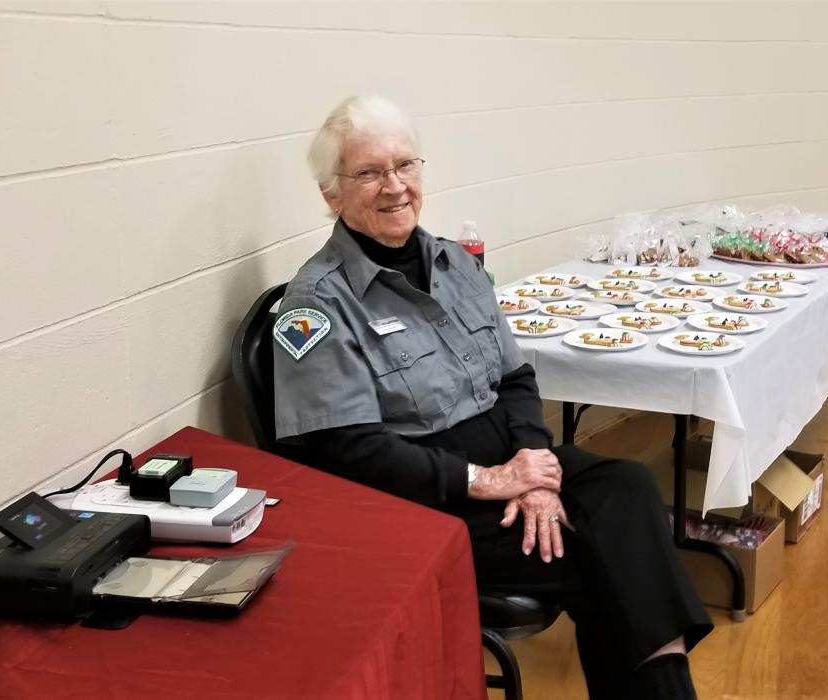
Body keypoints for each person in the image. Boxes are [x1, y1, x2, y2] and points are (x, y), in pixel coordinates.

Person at [272, 95, 713, 699]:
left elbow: (515, 380)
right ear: (331, 194)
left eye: (406, 165)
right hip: (422, 497)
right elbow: (346, 450)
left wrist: (534, 473)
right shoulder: (317, 303)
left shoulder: (455, 263)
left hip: (507, 459)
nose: (395, 186)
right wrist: (486, 480)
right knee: (607, 558)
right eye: (370, 173)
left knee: (629, 488)